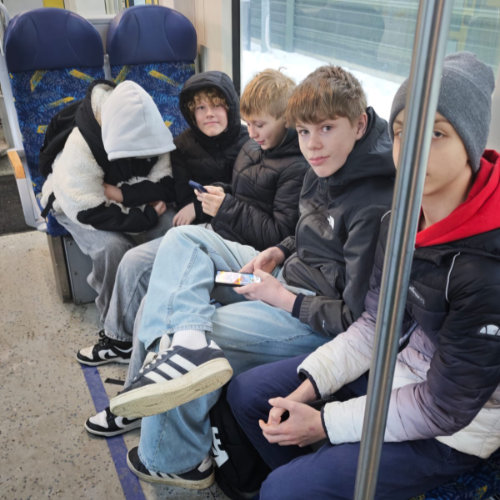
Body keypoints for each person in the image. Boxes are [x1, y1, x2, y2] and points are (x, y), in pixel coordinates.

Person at [227, 52, 500, 500]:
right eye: (402, 131)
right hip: (396, 369)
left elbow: (443, 407)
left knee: (283, 489)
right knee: (248, 394)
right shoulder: (400, 222)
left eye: (435, 133)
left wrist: (324, 422)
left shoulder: (485, 268)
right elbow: (375, 324)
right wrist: (310, 386)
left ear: (469, 143)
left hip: (454, 429)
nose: (413, 149)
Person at [109, 64, 395, 489]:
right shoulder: (326, 165)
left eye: (326, 128)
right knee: (183, 243)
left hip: (304, 315)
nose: (313, 145)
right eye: (304, 132)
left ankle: (174, 457)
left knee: (200, 328)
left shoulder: (374, 207)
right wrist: (280, 249)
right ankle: (160, 374)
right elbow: (309, 233)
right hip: (281, 272)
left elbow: (356, 322)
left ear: (359, 124)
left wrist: (282, 297)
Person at [83, 68, 308, 436]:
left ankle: (157, 378)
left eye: (259, 124)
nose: (252, 132)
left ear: (285, 119)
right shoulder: (254, 148)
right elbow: (239, 192)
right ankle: (134, 388)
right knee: (151, 289)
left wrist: (224, 207)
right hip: (220, 236)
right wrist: (219, 197)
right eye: (249, 124)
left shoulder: (296, 166)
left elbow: (278, 236)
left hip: (248, 262)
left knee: (163, 300)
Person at [40, 79, 177, 326]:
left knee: (174, 229)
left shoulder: (152, 128)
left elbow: (165, 184)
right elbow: (87, 208)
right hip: (75, 202)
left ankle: (167, 304)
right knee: (113, 248)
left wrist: (122, 195)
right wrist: (144, 217)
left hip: (121, 195)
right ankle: (116, 323)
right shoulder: (81, 145)